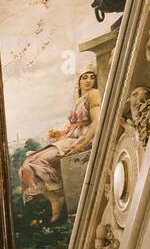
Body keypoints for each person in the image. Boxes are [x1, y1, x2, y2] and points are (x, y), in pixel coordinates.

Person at [19, 69, 101, 225]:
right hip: (70, 137)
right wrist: (59, 133)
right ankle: (54, 198)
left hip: (82, 138)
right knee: (27, 163)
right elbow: (74, 124)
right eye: (85, 77)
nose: (89, 80)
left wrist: (81, 144)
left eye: (92, 77)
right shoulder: (79, 99)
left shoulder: (94, 94)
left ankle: (58, 198)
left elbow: (96, 122)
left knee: (34, 163)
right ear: (79, 81)